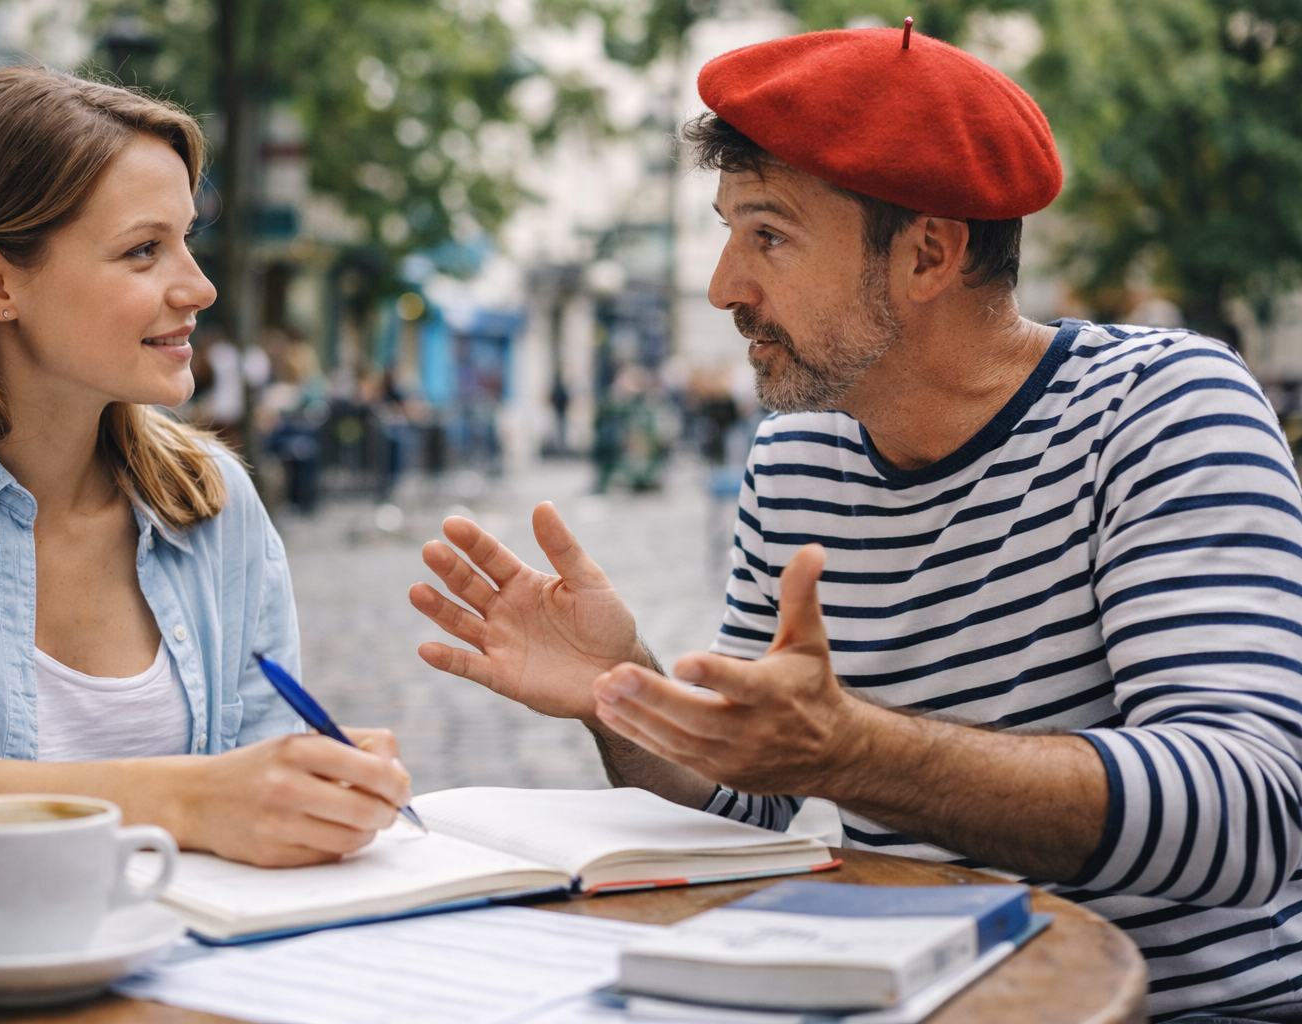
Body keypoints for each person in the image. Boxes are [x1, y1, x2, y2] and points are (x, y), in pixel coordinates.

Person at [409, 28, 1302, 1023]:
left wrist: (855, 752)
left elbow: (1254, 809)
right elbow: (759, 805)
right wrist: (623, 695)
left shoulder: (1163, 408)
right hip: (907, 996)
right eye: (728, 231)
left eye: (769, 236)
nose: (723, 286)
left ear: (928, 253)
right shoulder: (798, 454)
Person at [0, 66, 414, 903]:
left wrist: (313, 794)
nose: (199, 287)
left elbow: (260, 779)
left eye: (187, 240)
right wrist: (194, 799)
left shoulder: (211, 496)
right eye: (144, 250)